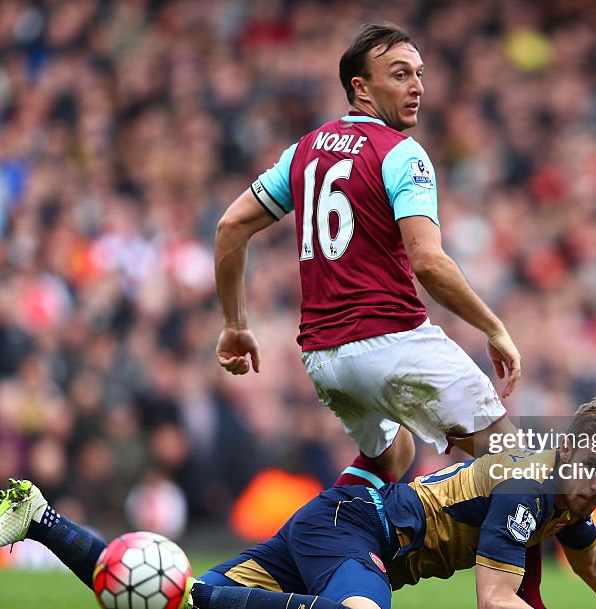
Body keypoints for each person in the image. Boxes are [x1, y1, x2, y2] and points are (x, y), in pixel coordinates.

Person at [0, 398, 596, 609]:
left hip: (334, 527)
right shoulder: (530, 482)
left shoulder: (564, 494)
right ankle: (217, 595)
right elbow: (494, 606)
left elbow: (593, 563)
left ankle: (42, 518)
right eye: (594, 468)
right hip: (359, 532)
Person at [213, 21, 521, 489]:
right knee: (518, 469)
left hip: (324, 357)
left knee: (394, 455)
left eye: (419, 74)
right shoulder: (403, 154)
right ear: (360, 87)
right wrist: (493, 328)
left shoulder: (303, 152)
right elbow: (429, 263)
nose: (417, 86)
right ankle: (534, 561)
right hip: (390, 341)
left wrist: (236, 326)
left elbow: (231, 226)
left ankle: (317, 544)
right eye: (400, 75)